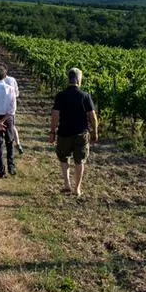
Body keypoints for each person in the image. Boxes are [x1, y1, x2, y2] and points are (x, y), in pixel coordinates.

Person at [49, 67, 98, 196]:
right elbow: (92, 116)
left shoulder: (61, 95)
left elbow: (55, 115)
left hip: (64, 132)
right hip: (81, 133)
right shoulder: (85, 96)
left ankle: (67, 184)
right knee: (79, 160)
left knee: (63, 158)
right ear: (78, 80)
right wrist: (95, 131)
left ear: (69, 79)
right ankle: (77, 188)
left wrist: (52, 132)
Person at [3, 67, 24, 153]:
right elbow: (17, 93)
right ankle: (18, 144)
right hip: (11, 107)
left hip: (1, 107)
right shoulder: (12, 79)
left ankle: (3, 146)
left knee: (0, 125)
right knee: (12, 126)